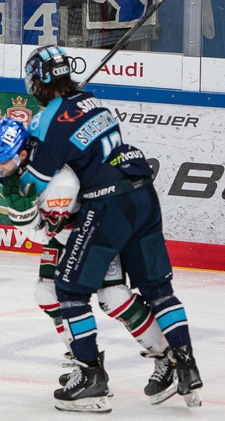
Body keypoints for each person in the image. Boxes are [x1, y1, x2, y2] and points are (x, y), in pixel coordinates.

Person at [11, 46, 199, 410]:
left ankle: (90, 376)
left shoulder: (48, 120)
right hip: (143, 196)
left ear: (38, 81)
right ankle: (185, 364)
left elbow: (32, 184)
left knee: (68, 288)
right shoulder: (96, 103)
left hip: (107, 205)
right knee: (158, 290)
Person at [0, 116, 179, 408]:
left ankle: (167, 357)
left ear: (21, 154)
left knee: (113, 296)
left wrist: (21, 215)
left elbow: (42, 234)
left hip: (94, 223)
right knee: (47, 292)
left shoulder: (59, 179)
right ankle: (85, 364)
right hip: (66, 226)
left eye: (2, 164)